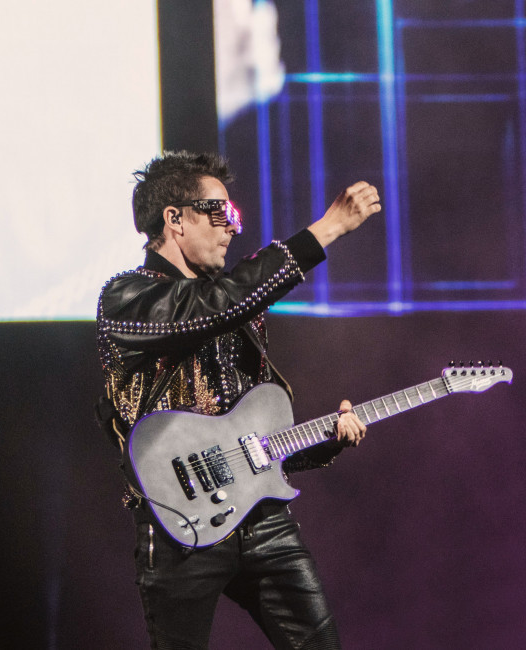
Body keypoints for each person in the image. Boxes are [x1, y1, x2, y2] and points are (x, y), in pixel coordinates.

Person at [96, 150, 381, 649]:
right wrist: (327, 229)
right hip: (179, 527)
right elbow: (208, 307)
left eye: (236, 215)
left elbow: (258, 441)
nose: (232, 226)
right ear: (175, 219)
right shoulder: (126, 298)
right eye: (220, 212)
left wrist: (329, 439)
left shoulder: (240, 310)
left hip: (263, 522)